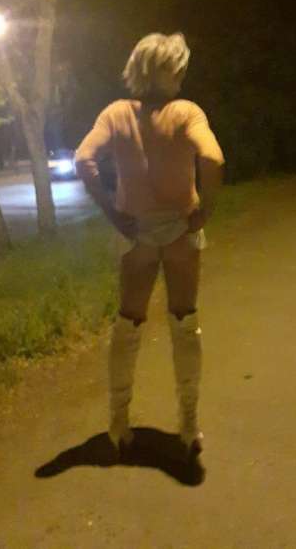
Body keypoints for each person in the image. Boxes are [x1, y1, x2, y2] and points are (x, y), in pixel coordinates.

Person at [75, 33, 225, 462]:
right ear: (159, 70)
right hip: (180, 231)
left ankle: (119, 423)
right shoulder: (186, 112)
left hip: (135, 232)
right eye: (175, 68)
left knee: (128, 326)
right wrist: (205, 210)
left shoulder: (116, 113)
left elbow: (83, 159)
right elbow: (213, 159)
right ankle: (189, 425)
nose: (180, 75)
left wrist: (111, 211)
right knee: (185, 322)